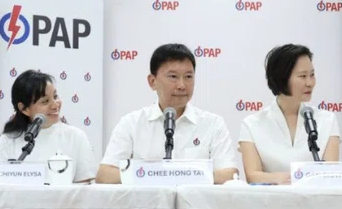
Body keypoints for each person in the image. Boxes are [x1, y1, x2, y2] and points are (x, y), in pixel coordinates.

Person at [96, 43, 238, 184]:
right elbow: (105, 174)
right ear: (152, 82)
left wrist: (177, 176)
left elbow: (229, 174)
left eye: (188, 77)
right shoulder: (132, 123)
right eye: (173, 77)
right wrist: (157, 175)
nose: (181, 85)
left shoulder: (212, 124)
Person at [239, 44, 340, 184]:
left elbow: (331, 175)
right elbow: (253, 176)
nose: (310, 83)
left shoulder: (327, 120)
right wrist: (299, 177)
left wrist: (282, 178)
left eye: (312, 75)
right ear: (281, 78)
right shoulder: (251, 124)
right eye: (302, 76)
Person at [0, 69, 97, 183]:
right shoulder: (9, 139)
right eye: (45, 101)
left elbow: (85, 187)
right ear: (24, 108)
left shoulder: (76, 136)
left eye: (55, 96)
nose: (55, 105)